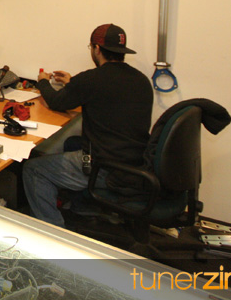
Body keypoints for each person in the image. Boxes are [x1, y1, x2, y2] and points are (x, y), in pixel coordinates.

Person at [22, 23, 153, 227]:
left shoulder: (92, 79)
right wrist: (73, 82)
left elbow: (56, 102)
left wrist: (43, 82)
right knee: (72, 143)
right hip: (135, 162)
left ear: (97, 49)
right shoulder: (141, 80)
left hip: (104, 168)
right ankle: (84, 206)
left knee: (33, 169)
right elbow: (105, 95)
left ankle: (51, 231)